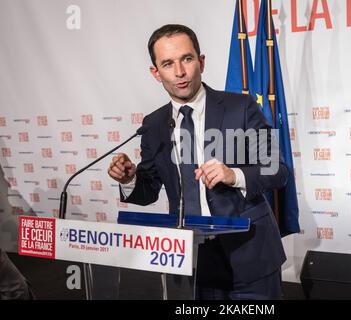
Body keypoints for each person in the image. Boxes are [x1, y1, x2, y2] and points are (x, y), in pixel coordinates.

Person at [108, 24, 287, 300]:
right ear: (156, 73)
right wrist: (130, 179)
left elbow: (277, 169)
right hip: (192, 262)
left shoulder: (241, 107)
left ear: (201, 61)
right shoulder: (154, 125)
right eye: (168, 63)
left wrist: (234, 175)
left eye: (187, 59)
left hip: (251, 257)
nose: (179, 72)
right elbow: (148, 191)